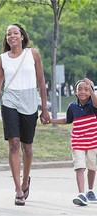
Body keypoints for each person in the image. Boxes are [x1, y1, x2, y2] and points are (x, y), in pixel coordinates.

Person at [0, 23, 50, 206]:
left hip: (29, 102)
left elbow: (42, 82)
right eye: (8, 34)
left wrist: (44, 108)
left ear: (22, 36)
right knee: (14, 144)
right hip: (10, 102)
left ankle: (25, 179)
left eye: (15, 33)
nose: (11, 36)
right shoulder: (1, 59)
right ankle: (18, 190)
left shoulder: (32, 54)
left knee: (27, 147)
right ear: (6, 39)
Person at [48, 78, 97, 206]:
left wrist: (91, 90)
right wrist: (51, 121)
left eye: (86, 89)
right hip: (78, 141)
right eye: (80, 89)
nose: (83, 92)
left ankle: (90, 191)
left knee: (92, 167)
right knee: (79, 166)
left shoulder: (93, 105)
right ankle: (81, 194)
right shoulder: (72, 107)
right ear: (75, 92)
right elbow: (67, 120)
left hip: (93, 141)